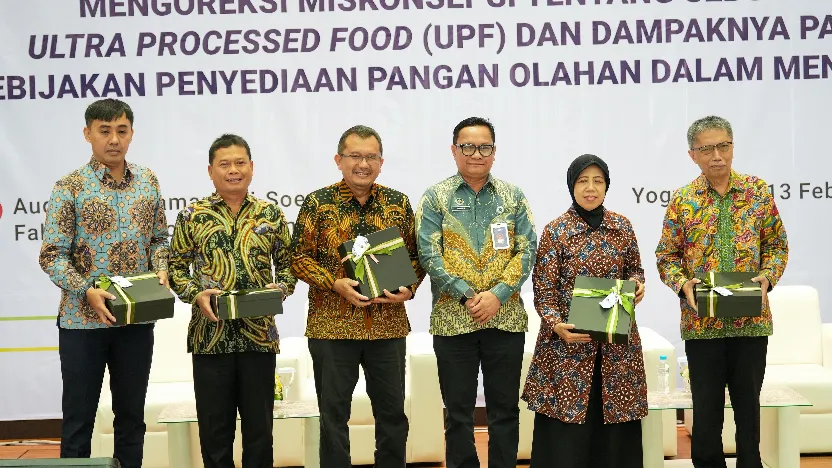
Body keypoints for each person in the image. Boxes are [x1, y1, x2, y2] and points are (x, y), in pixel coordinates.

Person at [38, 98, 169, 468]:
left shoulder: (148, 181)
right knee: (78, 422)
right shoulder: (70, 187)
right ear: (88, 134)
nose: (114, 139)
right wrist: (86, 291)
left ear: (131, 134)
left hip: (135, 319)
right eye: (105, 131)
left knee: (132, 419)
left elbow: (159, 239)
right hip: (82, 322)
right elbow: (52, 255)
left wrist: (161, 267)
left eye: (121, 131)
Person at [656, 116, 788, 468]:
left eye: (723, 146)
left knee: (748, 409)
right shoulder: (683, 200)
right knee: (707, 413)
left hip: (751, 322)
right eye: (707, 149)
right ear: (692, 155)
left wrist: (768, 277)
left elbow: (776, 245)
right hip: (702, 324)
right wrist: (682, 284)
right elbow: (666, 256)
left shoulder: (757, 192)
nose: (717, 155)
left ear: (732, 147)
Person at [289, 125, 425, 468]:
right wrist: (334, 283)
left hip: (387, 328)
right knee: (333, 416)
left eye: (370, 157)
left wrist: (409, 288)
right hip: (332, 328)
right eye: (355, 156)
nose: (363, 164)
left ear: (381, 162)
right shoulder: (318, 203)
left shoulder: (397, 203)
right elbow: (298, 258)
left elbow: (416, 256)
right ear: (339, 160)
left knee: (392, 415)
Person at [168, 134, 296, 468]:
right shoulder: (192, 215)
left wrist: (280, 288)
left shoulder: (270, 214)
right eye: (224, 164)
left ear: (251, 167)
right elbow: (176, 268)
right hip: (210, 339)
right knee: (214, 435)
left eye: (240, 163)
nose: (233, 170)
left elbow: (289, 266)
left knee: (260, 433)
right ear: (210, 171)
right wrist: (195, 293)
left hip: (259, 338)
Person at [416, 116, 537, 468]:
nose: (476, 154)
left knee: (505, 411)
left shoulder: (513, 197)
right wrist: (468, 295)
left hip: (505, 318)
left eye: (484, 147)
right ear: (454, 150)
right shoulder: (435, 197)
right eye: (467, 147)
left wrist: (498, 294)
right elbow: (428, 253)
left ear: (494, 152)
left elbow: (527, 249)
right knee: (458, 413)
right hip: (453, 320)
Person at [521, 154, 647, 468]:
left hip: (616, 347)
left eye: (598, 181)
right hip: (568, 347)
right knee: (567, 436)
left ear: (606, 186)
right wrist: (555, 323)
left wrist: (637, 284)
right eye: (583, 181)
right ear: (571, 186)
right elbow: (544, 289)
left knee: (616, 428)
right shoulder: (556, 230)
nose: (590, 188)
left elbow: (636, 270)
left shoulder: (622, 226)